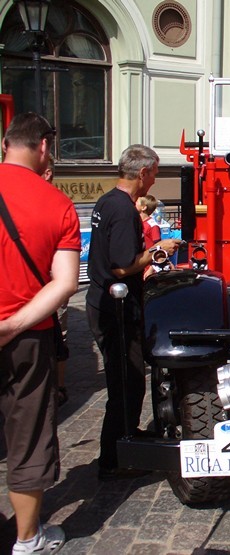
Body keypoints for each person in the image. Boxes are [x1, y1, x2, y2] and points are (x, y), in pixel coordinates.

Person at [0, 113, 80, 554]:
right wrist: (12, 324)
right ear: (45, 147)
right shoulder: (56, 204)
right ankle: (27, 540)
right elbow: (65, 282)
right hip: (28, 335)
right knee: (28, 437)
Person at [86, 145, 181, 480]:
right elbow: (123, 266)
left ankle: (127, 437)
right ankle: (114, 458)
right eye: (154, 173)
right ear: (143, 173)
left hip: (103, 303)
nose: (155, 180)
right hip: (115, 308)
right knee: (125, 383)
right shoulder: (124, 210)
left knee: (126, 381)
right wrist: (157, 250)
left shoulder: (107, 200)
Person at [42, 157, 70, 407]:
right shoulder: (56, 203)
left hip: (51, 281)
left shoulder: (53, 202)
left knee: (58, 334)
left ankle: (58, 385)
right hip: (46, 282)